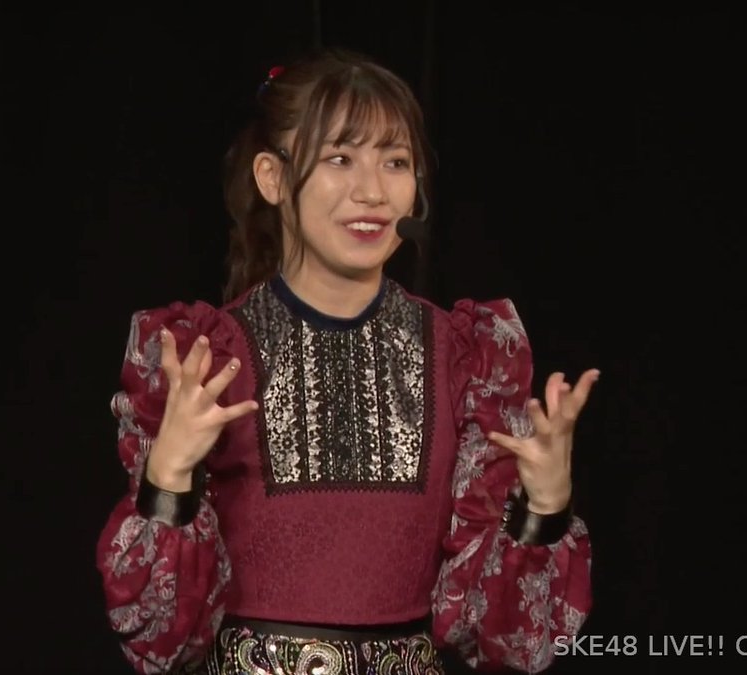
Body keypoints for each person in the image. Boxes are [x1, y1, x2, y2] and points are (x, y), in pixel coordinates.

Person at [96, 47, 599, 675]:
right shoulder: (206, 357)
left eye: (396, 162)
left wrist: (544, 508)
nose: (372, 191)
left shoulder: (463, 357)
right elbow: (157, 640)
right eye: (339, 158)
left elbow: (509, 644)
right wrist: (169, 476)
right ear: (272, 177)